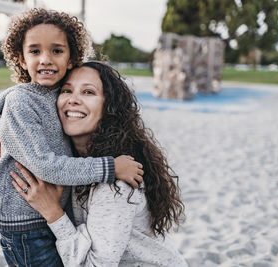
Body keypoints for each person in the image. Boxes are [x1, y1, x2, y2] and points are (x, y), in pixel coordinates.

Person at [0, 9, 143, 267]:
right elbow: (47, 165)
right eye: (34, 51)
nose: (46, 59)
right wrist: (110, 167)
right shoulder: (20, 101)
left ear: (71, 59)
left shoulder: (57, 96)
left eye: (56, 51)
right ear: (21, 59)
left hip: (48, 215)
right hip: (27, 225)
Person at [10, 61, 188, 266]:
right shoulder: (68, 165)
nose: (73, 100)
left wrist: (53, 213)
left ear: (109, 107)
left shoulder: (116, 183)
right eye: (67, 90)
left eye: (88, 92)